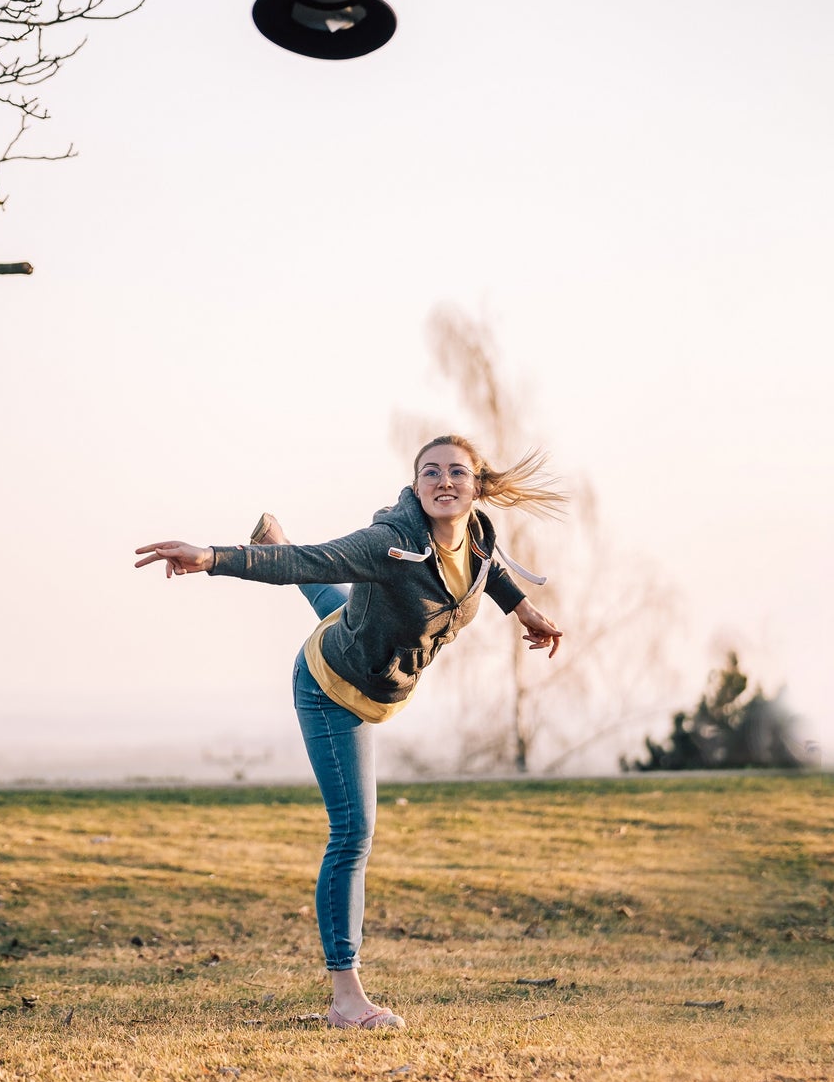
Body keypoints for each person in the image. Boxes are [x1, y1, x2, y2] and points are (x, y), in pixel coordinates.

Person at [134, 435, 565, 1030]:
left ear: (476, 486)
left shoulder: (478, 537)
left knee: (353, 611)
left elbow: (485, 572)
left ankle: (299, 563)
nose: (444, 481)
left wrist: (523, 610)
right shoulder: (389, 543)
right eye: (430, 472)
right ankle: (346, 996)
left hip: (377, 661)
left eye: (457, 473)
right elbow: (307, 563)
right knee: (352, 835)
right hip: (333, 688)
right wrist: (212, 556)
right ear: (416, 487)